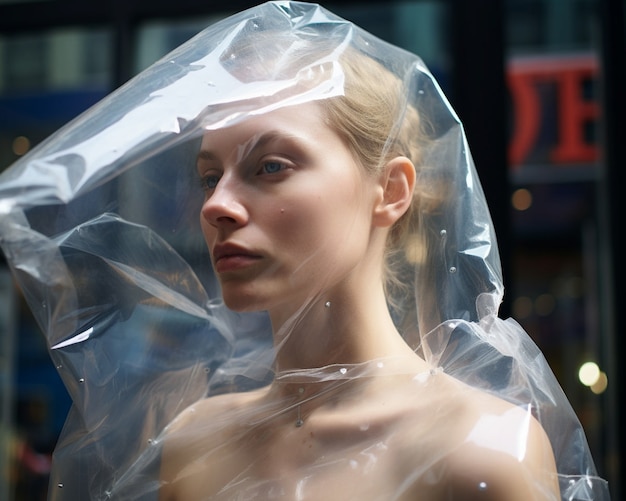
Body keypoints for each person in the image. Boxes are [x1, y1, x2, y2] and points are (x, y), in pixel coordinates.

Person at [0, 2, 609, 500]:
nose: (217, 205)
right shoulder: (193, 445)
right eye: (210, 176)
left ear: (390, 190)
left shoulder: (482, 450)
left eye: (270, 165)